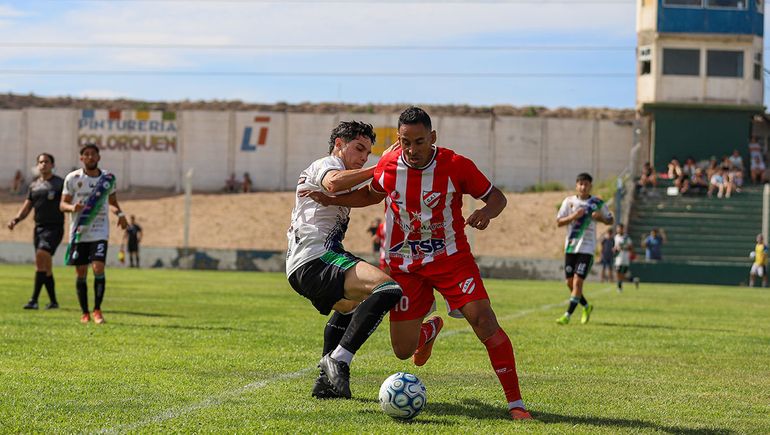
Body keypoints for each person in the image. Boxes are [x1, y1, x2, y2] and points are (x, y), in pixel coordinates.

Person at [306, 107, 533, 420]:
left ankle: (516, 404)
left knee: (483, 321)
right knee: (402, 351)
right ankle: (427, 332)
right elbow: (372, 195)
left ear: (433, 138)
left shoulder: (456, 165)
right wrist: (333, 201)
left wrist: (485, 213)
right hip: (405, 265)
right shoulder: (389, 163)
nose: (412, 150)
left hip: (452, 260)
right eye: (405, 142)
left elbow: (497, 198)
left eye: (419, 142)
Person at [287, 121, 402, 400]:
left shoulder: (345, 173)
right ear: (339, 144)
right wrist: (379, 168)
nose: (363, 157)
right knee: (388, 289)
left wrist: (392, 165)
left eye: (368, 153)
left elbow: (365, 196)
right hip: (316, 257)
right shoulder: (325, 164)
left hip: (305, 263)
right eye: (359, 149)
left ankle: (326, 383)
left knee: (349, 307)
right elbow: (333, 182)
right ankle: (339, 360)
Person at [60, 144, 128, 324]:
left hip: (100, 230)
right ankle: (85, 312)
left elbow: (112, 202)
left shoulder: (107, 179)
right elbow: (62, 204)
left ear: (99, 157)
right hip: (79, 231)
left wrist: (120, 215)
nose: (90, 157)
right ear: (81, 158)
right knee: (81, 272)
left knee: (98, 268)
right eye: (86, 155)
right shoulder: (73, 178)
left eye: (93, 154)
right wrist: (72, 207)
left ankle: (97, 310)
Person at [7, 153, 64, 310]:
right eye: (40, 162)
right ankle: (53, 302)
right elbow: (27, 207)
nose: (43, 164)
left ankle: (34, 300)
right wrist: (16, 219)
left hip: (55, 228)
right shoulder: (34, 186)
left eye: (46, 162)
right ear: (37, 165)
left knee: (41, 255)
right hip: (38, 228)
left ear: (52, 165)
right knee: (44, 265)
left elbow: (68, 202)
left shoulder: (60, 183)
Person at [556, 173, 614, 325]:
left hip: (587, 248)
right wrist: (574, 216)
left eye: (586, 184)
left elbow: (610, 220)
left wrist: (599, 217)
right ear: (576, 185)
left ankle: (567, 315)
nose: (583, 187)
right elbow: (559, 222)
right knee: (569, 283)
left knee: (577, 283)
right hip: (570, 248)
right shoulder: (568, 202)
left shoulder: (597, 203)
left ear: (590, 186)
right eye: (580, 184)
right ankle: (586, 306)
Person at [613, 224, 633, 292]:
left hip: (625, 257)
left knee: (623, 273)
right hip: (618, 257)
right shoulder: (616, 237)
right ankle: (619, 286)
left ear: (623, 229)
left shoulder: (626, 238)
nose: (619, 230)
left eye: (620, 228)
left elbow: (630, 247)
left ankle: (632, 280)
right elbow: (616, 246)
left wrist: (623, 247)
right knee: (618, 271)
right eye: (618, 228)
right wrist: (615, 249)